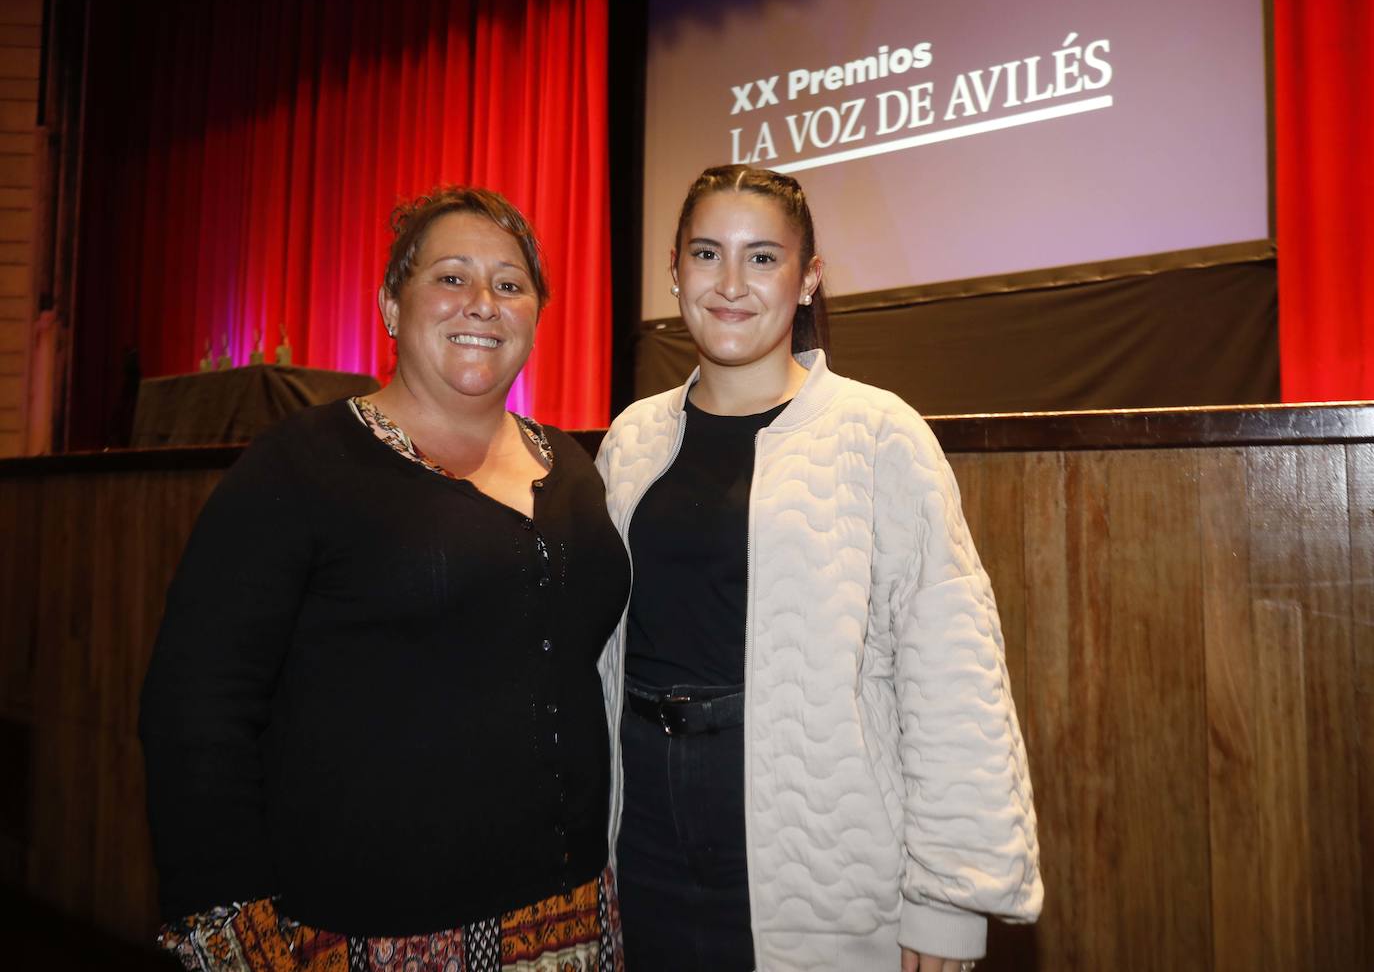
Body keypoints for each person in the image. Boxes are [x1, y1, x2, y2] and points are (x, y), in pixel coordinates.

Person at [139, 186, 630, 971]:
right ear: (391, 306)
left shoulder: (573, 466)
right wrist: (229, 927)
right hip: (367, 930)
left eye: (510, 284)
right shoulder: (300, 465)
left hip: (568, 916)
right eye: (451, 277)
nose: (482, 302)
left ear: (537, 314)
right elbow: (198, 704)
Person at [595, 165, 1042, 972]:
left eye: (763, 259)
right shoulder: (630, 439)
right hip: (645, 831)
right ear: (673, 270)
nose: (731, 283)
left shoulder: (879, 434)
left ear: (809, 280)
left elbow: (954, 673)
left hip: (815, 841)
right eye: (707, 254)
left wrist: (948, 899)